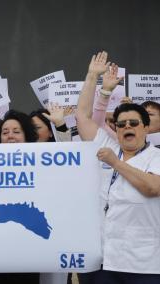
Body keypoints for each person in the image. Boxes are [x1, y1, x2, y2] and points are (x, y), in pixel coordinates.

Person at [76, 51, 160, 283]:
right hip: (102, 258)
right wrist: (93, 76)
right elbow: (82, 116)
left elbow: (152, 188)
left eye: (134, 123)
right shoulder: (106, 144)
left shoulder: (155, 157)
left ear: (144, 128)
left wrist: (115, 163)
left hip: (142, 264)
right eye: (121, 124)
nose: (127, 127)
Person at [0, 109, 39, 284]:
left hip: (30, 246)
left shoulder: (41, 161)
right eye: (5, 132)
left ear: (27, 136)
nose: (10, 136)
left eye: (16, 132)